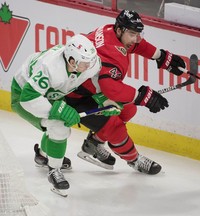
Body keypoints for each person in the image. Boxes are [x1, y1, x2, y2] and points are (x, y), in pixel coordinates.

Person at [65, 9, 186, 175]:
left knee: (128, 108)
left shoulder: (112, 30)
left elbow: (137, 44)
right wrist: (142, 97)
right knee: (115, 127)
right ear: (120, 30)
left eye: (137, 33)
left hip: (90, 91)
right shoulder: (110, 50)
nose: (135, 38)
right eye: (131, 34)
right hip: (75, 97)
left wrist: (160, 56)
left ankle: (94, 143)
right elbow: (110, 87)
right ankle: (134, 160)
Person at [10, 34, 120, 196]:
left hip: (52, 91)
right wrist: (59, 111)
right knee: (59, 126)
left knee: (56, 127)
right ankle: (54, 170)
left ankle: (42, 155)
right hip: (24, 95)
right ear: (71, 61)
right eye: (84, 63)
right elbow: (28, 98)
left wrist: (104, 99)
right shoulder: (49, 67)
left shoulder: (88, 63)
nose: (89, 66)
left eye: (90, 61)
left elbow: (96, 76)